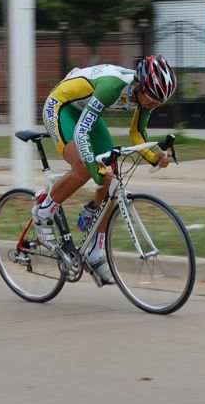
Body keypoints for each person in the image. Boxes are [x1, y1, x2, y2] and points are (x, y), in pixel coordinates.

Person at [32, 54, 178, 285]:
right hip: (62, 108)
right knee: (84, 167)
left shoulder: (146, 95)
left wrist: (156, 156)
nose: (154, 105)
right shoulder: (112, 86)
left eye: (160, 102)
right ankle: (43, 211)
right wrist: (94, 168)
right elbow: (80, 133)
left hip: (86, 113)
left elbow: (137, 133)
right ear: (140, 85)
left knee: (111, 173)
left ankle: (95, 250)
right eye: (152, 99)